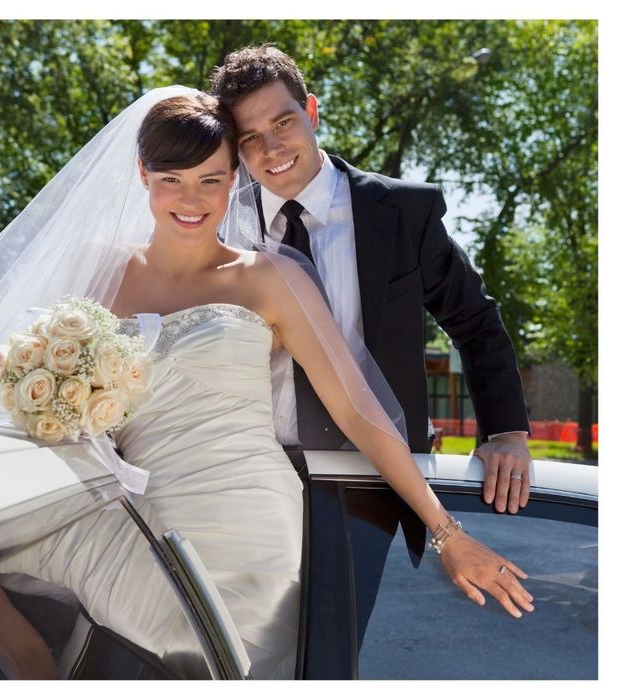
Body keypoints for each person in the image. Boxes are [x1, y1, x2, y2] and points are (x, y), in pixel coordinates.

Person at [0, 90, 533, 681]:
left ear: (234, 181)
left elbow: (357, 411)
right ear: (142, 174)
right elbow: (41, 402)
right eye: (171, 179)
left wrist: (446, 531)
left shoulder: (268, 278)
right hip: (134, 515)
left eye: (211, 179)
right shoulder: (99, 275)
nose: (192, 199)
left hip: (250, 527)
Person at [210, 45, 532, 516]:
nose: (272, 150)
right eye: (250, 138)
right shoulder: (220, 228)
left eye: (283, 123)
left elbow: (476, 321)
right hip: (258, 485)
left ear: (312, 111)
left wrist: (507, 435)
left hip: (388, 486)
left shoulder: (403, 213)